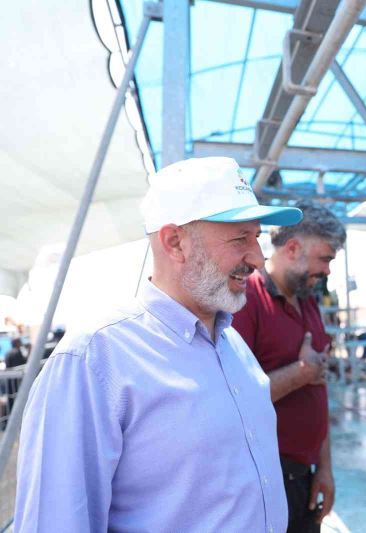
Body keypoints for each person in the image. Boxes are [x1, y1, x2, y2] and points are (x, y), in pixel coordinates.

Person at [15, 157, 302, 532]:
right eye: (240, 238)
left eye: (257, 237)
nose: (258, 259)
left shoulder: (233, 345)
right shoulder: (95, 359)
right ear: (175, 243)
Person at [233, 201, 345, 533]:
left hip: (304, 475)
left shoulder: (308, 300)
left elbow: (318, 390)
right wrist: (300, 373)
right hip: (265, 480)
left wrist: (324, 468)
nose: (327, 271)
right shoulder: (246, 300)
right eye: (325, 258)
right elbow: (233, 400)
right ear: (293, 249)